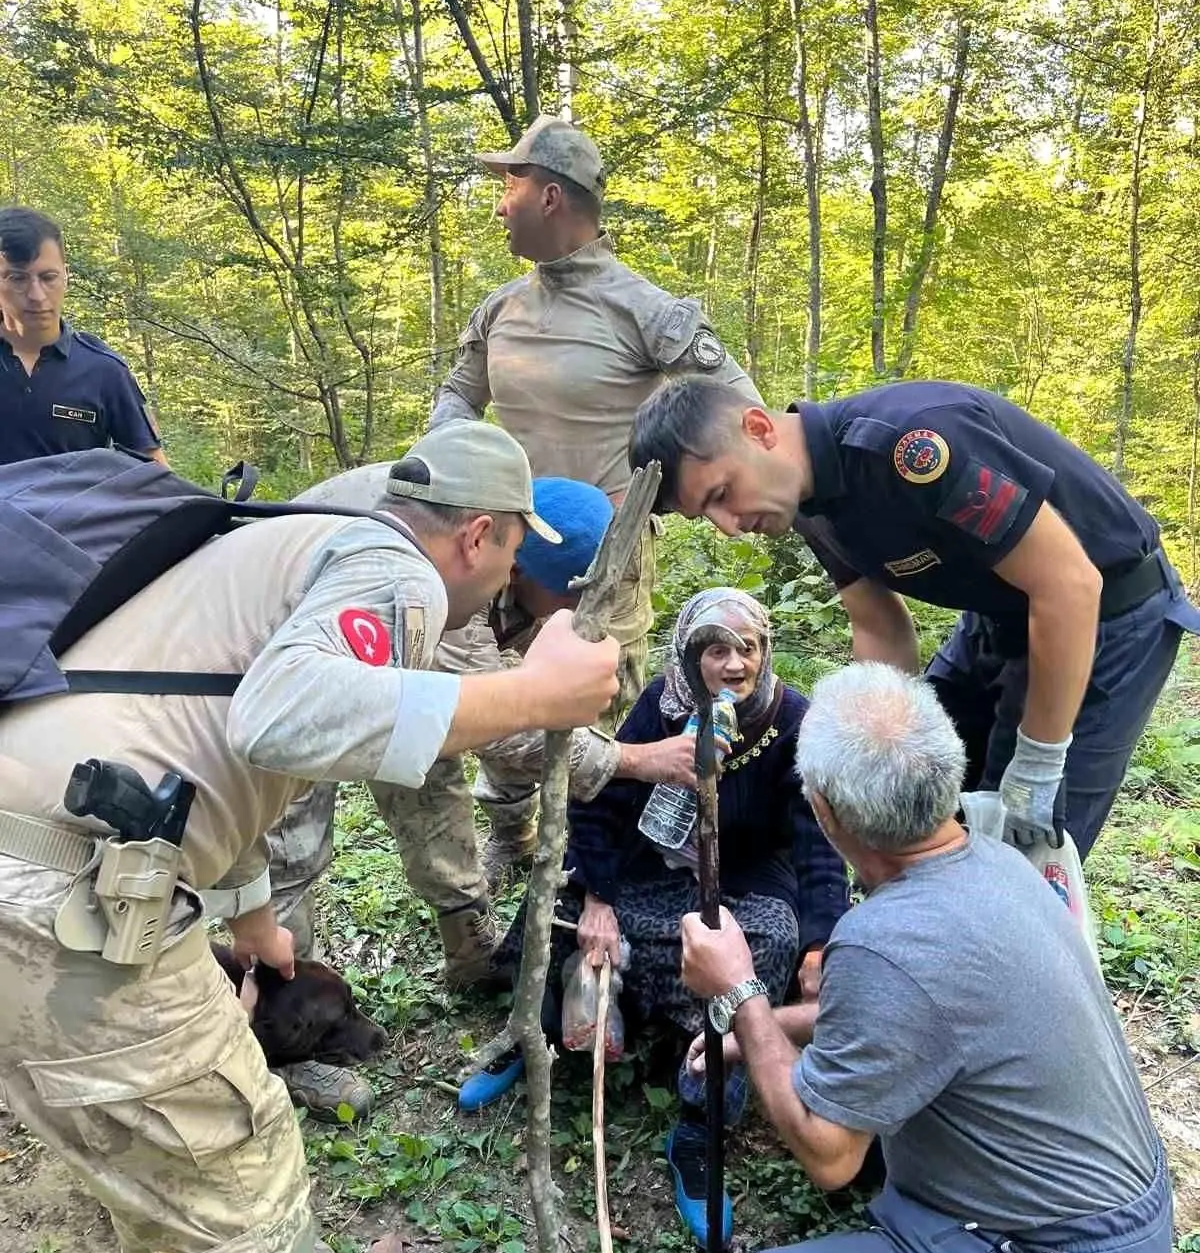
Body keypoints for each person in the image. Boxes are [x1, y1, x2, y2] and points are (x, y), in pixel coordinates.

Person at [0, 420, 619, 1253]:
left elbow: (199, 723)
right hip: (62, 905)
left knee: (149, 1153)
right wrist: (529, 694)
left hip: (38, 869)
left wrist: (246, 909)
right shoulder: (396, 572)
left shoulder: (290, 537)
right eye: (513, 548)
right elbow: (281, 716)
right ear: (478, 534)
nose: (508, 574)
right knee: (243, 1185)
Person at [681, 663, 1172, 1253]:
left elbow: (828, 1154)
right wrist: (765, 1031)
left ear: (826, 811)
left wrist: (740, 992)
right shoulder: (995, 862)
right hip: (1112, 1212)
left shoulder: (887, 941)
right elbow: (911, 1009)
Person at [266, 470, 697, 1120]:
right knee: (289, 847)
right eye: (566, 599)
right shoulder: (444, 578)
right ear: (518, 566)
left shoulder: (506, 528)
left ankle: (470, 951)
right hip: (284, 677)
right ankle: (292, 1040)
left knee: (429, 774)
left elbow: (460, 718)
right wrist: (632, 759)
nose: (568, 616)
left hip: (384, 664)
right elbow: (501, 730)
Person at [629, 374, 1200, 858]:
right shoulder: (805, 504)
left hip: (1108, 619)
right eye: (707, 514)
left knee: (1024, 847)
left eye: (723, 492)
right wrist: (864, 738)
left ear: (759, 429)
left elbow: (1070, 585)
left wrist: (1041, 759)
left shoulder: (912, 446)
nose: (729, 524)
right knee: (913, 798)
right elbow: (879, 624)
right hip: (998, 617)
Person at [430, 114, 760, 876]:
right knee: (499, 692)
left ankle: (594, 859)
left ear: (551, 196)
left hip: (605, 555)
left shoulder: (645, 311)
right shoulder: (500, 308)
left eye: (509, 184)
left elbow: (741, 414)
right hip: (500, 549)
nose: (498, 201)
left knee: (601, 702)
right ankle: (510, 839)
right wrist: (448, 465)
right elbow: (457, 396)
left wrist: (672, 496)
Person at [477, 589, 849, 1248]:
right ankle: (534, 1028)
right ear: (687, 651)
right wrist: (597, 897)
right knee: (556, 898)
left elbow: (819, 847)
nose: (735, 664)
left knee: (771, 940)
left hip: (737, 881)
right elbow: (598, 801)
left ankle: (700, 1124)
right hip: (650, 867)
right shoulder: (662, 704)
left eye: (749, 648)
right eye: (715, 648)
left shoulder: (793, 722)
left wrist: (821, 946)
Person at [0, 206, 166, 465]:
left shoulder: (104, 371)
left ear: (66, 275)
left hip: (76, 506)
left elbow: (156, 477)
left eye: (48, 277)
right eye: (17, 278)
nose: (37, 295)